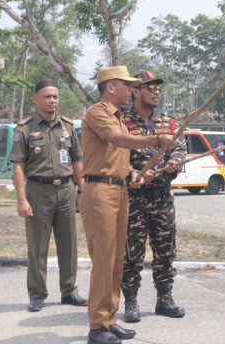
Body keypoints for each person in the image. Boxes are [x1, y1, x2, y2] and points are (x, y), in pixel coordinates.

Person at [79, 65, 177, 344]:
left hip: (119, 189)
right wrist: (157, 138)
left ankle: (109, 319)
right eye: (127, 84)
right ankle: (97, 325)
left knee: (116, 260)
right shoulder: (98, 112)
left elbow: (118, 156)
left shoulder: (119, 117)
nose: (132, 89)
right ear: (111, 87)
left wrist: (134, 174)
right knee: (103, 261)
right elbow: (118, 140)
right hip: (100, 191)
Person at [10, 79, 87, 313]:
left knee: (69, 244)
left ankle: (69, 291)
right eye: (47, 96)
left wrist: (82, 191)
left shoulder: (68, 127)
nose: (52, 100)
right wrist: (22, 199)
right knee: (37, 245)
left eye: (55, 96)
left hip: (65, 191)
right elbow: (18, 166)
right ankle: (37, 294)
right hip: (38, 191)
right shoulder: (24, 129)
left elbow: (77, 161)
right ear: (36, 98)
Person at [121, 71, 185, 323]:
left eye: (157, 87)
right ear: (136, 91)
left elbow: (180, 150)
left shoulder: (169, 123)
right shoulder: (123, 122)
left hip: (162, 198)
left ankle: (164, 299)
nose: (155, 91)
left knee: (165, 251)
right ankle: (131, 301)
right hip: (134, 198)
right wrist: (132, 172)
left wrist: (173, 163)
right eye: (149, 87)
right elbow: (116, 153)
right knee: (132, 254)